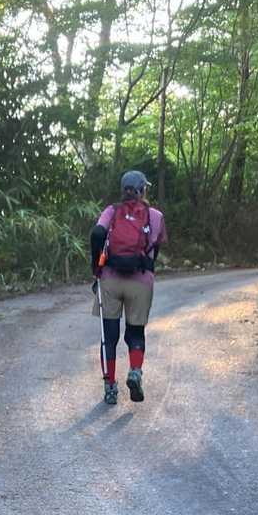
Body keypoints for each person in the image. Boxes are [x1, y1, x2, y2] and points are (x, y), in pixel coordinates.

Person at [90, 170, 167, 405]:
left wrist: (96, 268)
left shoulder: (111, 211)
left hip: (110, 279)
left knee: (109, 336)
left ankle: (110, 388)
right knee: (135, 332)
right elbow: (155, 250)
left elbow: (97, 233)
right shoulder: (155, 216)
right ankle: (135, 371)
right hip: (140, 280)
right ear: (143, 190)